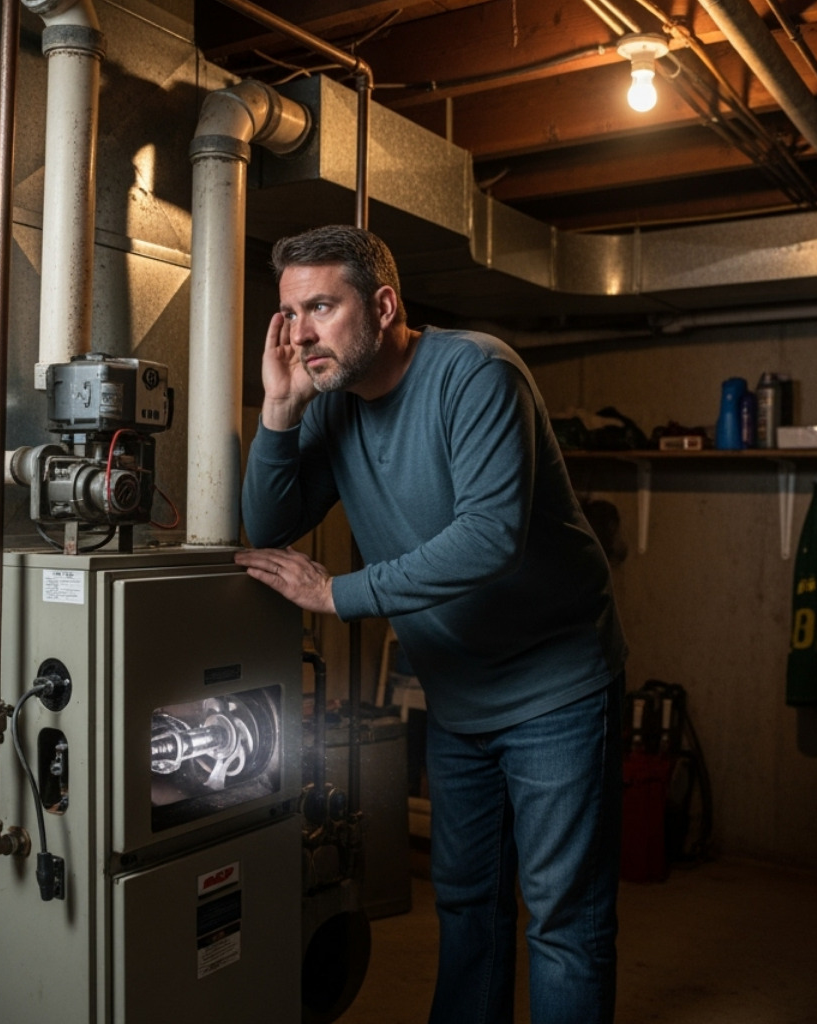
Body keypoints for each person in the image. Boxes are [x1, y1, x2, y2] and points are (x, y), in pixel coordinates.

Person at [235, 225, 627, 1024]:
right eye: (289, 313)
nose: (302, 332)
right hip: (459, 696)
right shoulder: (329, 400)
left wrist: (341, 593)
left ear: (382, 305)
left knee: (561, 919)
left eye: (322, 306)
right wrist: (277, 414)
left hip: (554, 686)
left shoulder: (475, 374)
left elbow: (489, 537)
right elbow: (268, 523)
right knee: (467, 903)